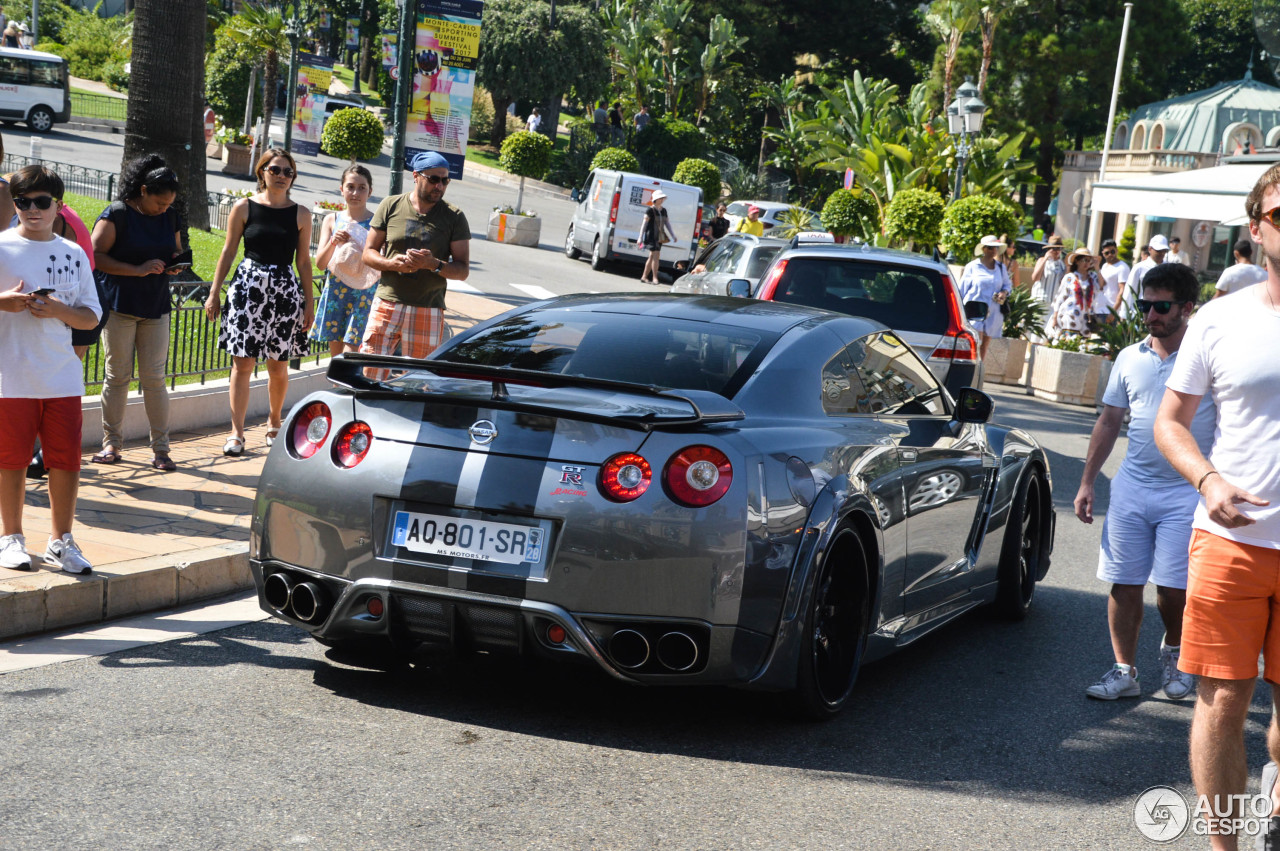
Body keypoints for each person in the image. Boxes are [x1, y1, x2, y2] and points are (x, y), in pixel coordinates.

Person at [1154, 162, 1280, 849]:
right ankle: (1225, 844)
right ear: (1257, 227)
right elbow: (1170, 422)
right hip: (1230, 540)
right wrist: (1208, 481)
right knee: (1223, 699)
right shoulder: (1220, 321)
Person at [1076, 263, 1214, 702]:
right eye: (1145, 305)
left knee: (1174, 588)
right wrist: (1087, 483)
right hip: (1133, 486)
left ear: (1187, 308)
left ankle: (1174, 653)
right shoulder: (1129, 357)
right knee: (1124, 580)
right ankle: (1124, 670)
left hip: (1186, 490)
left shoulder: (1205, 358)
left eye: (1161, 306)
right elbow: (1110, 420)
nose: (1151, 314)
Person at [0, 165, 101, 575]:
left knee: (66, 461)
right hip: (11, 377)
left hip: (61, 377)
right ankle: (11, 537)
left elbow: (91, 317)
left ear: (58, 205)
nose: (32, 210)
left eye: (42, 202)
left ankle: (62, 541)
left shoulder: (73, 253)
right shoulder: (1, 246)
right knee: (11, 460)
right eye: (23, 202)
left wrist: (59, 310)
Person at [204, 149, 314, 457]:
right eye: (275, 170)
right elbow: (227, 252)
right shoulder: (244, 208)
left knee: (278, 365)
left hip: (284, 291)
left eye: (288, 172)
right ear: (262, 171)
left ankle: (274, 421)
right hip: (247, 289)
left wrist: (309, 302)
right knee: (242, 364)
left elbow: (304, 262)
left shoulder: (301, 214)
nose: (281, 176)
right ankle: (236, 433)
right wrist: (214, 293)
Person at [92, 155, 184, 471]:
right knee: (118, 376)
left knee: (154, 379)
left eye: (167, 204)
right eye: (158, 202)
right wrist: (137, 269)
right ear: (143, 190)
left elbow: (174, 249)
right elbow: (96, 256)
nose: (162, 209)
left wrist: (173, 264)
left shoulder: (170, 217)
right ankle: (111, 444)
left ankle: (161, 450)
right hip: (120, 306)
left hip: (156, 306)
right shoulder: (117, 214)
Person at [360, 151, 470, 379]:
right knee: (370, 373)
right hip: (388, 303)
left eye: (444, 180)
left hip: (427, 308)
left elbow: (462, 270)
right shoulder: (391, 205)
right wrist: (391, 264)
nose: (439, 186)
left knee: (419, 380)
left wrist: (434, 264)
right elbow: (368, 253)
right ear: (416, 176)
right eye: (433, 179)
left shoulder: (454, 216)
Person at [311, 164, 377, 358]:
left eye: (362, 188)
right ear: (341, 189)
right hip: (336, 292)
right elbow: (321, 264)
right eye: (350, 187)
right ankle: (338, 388)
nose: (355, 193)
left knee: (351, 353)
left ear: (370, 191)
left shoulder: (377, 224)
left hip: (364, 294)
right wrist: (334, 242)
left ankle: (347, 388)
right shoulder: (332, 220)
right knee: (336, 356)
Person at [958, 234, 1011, 361]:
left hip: (993, 310)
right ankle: (970, 367)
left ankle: (978, 369)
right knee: (976, 342)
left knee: (985, 345)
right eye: (991, 248)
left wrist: (1004, 292)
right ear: (984, 249)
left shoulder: (1000, 267)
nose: (994, 251)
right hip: (975, 310)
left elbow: (1007, 285)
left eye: (996, 248)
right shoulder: (973, 266)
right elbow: (962, 289)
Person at [1046, 248, 1103, 339]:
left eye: (1089, 261)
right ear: (1077, 261)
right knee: (1069, 342)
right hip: (1070, 315)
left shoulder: (1093, 277)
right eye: (1084, 260)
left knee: (1083, 345)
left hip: (1086, 318)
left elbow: (1102, 286)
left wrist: (1097, 268)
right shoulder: (1070, 277)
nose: (1087, 263)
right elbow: (1060, 298)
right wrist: (1055, 318)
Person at [1121, 234, 1168, 316]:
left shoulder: (1168, 268)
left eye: (1164, 251)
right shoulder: (1139, 268)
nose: (1161, 253)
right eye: (1158, 250)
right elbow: (1130, 291)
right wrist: (1124, 314)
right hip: (1140, 313)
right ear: (1150, 249)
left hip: (1161, 312)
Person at [638, 189, 676, 285]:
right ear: (656, 199)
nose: (662, 199)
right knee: (656, 255)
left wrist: (673, 235)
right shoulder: (650, 210)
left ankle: (644, 276)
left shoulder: (664, 210)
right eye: (660, 198)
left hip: (659, 236)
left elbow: (667, 223)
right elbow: (644, 224)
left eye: (662, 198)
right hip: (651, 236)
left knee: (652, 256)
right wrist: (640, 237)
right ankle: (655, 278)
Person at [1097, 238, 1130, 314]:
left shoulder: (1122, 267)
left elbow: (1123, 290)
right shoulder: (1105, 266)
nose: (1110, 255)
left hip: (1112, 310)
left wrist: (1113, 312)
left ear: (1116, 251)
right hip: (1101, 308)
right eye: (1107, 253)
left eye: (1112, 251)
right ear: (1103, 253)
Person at [1030, 236, 1065, 305]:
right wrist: (1045, 258)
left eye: (1059, 248)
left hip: (1053, 303)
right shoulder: (1042, 260)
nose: (1057, 251)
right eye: (1054, 248)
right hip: (1039, 300)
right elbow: (1035, 278)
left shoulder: (1062, 265)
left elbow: (1063, 283)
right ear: (1049, 249)